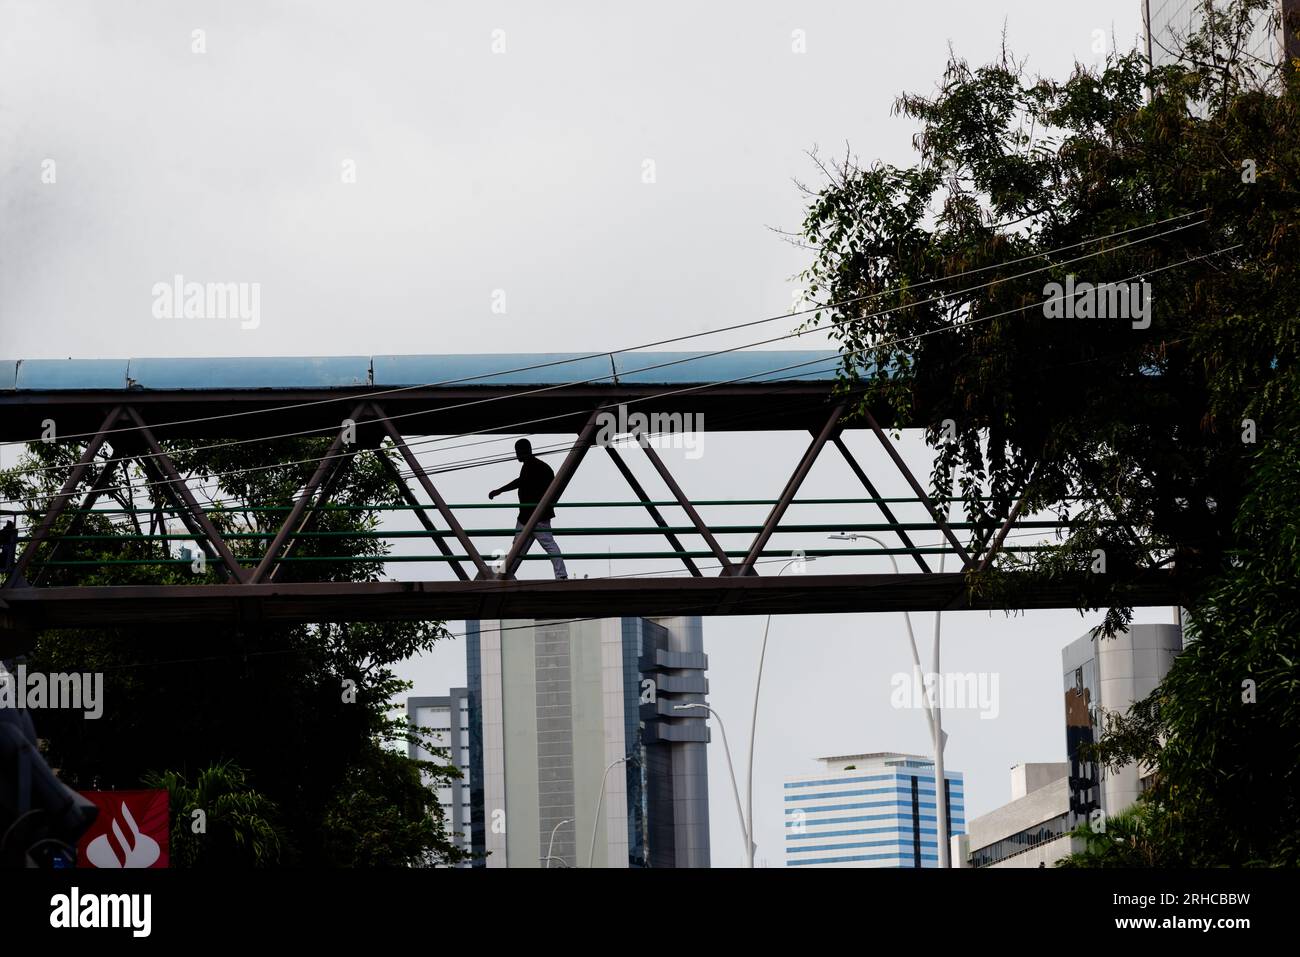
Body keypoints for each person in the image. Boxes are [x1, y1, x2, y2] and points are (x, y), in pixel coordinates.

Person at [489, 439, 568, 580]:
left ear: (522, 451)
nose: (516, 455)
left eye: (517, 452)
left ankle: (506, 576)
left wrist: (500, 490)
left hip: (532, 516)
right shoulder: (538, 466)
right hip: (535, 515)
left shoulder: (531, 466)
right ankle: (560, 575)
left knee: (520, 548)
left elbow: (519, 482)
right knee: (538, 545)